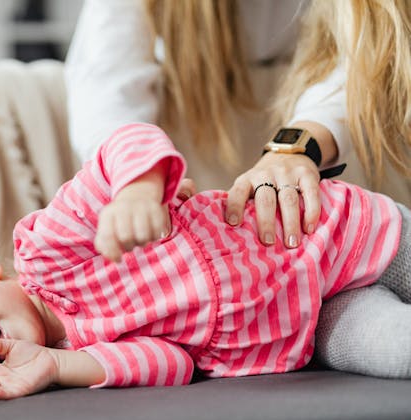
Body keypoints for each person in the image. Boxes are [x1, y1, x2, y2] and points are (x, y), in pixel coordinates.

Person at [0, 123, 410, 400]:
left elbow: (125, 142)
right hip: (315, 327)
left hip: (329, 234)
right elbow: (173, 363)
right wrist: (58, 368)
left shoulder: (48, 251)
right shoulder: (76, 354)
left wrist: (135, 192)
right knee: (397, 349)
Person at [65, 0, 411, 248]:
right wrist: (138, 178)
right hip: (200, 136)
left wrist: (295, 149)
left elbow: (366, 60)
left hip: (339, 141)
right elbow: (107, 80)